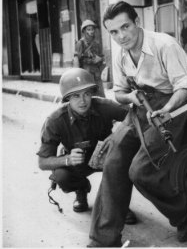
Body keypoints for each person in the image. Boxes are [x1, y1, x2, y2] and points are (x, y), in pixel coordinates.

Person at [88, 1, 187, 247]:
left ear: (137, 22)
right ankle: (103, 240)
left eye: (125, 27)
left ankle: (183, 213)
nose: (121, 36)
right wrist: (130, 97)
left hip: (170, 107)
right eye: (113, 32)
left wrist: (165, 110)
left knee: (141, 172)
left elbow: (184, 88)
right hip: (139, 108)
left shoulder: (164, 45)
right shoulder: (120, 54)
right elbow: (119, 92)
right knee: (113, 162)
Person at [37, 68, 137, 224]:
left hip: (107, 156)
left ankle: (119, 204)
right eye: (75, 96)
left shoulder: (104, 106)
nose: (82, 101)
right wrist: (67, 160)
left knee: (125, 158)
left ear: (92, 94)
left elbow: (134, 116)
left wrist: (117, 133)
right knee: (61, 176)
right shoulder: (55, 121)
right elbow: (43, 162)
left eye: (86, 94)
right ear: (67, 99)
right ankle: (81, 189)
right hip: (78, 162)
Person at [73, 20, 106, 97]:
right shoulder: (80, 43)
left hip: (97, 74)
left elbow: (102, 58)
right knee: (88, 95)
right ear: (84, 31)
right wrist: (77, 75)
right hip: (86, 73)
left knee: (100, 95)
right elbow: (76, 59)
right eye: (89, 29)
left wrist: (100, 59)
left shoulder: (97, 44)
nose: (91, 31)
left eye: (92, 29)